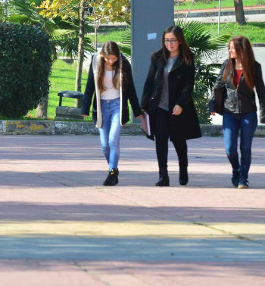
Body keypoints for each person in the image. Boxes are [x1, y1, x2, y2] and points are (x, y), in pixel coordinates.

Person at [141, 25, 202, 187]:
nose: (169, 44)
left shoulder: (188, 59)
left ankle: (183, 170)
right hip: (159, 106)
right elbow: (149, 82)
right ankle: (163, 175)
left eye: (173, 40)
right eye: (166, 40)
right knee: (160, 141)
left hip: (178, 108)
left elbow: (189, 85)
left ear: (180, 41)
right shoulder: (157, 57)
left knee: (178, 141)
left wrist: (181, 104)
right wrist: (143, 106)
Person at [81, 41, 143, 186]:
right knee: (104, 145)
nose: (110, 61)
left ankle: (112, 174)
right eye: (108, 58)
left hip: (117, 106)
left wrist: (137, 110)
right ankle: (113, 167)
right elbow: (90, 85)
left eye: (113, 58)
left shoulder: (123, 63)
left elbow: (131, 88)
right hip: (101, 107)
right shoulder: (96, 61)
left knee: (113, 141)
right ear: (102, 55)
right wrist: (85, 108)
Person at [211, 36, 265, 189]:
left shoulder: (254, 67)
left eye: (232, 48)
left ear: (242, 49)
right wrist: (213, 105)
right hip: (229, 112)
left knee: (245, 147)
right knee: (230, 148)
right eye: (229, 47)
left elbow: (261, 91)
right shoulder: (226, 65)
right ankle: (236, 169)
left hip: (248, 112)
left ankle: (243, 178)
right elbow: (217, 86)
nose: (229, 50)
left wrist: (264, 113)